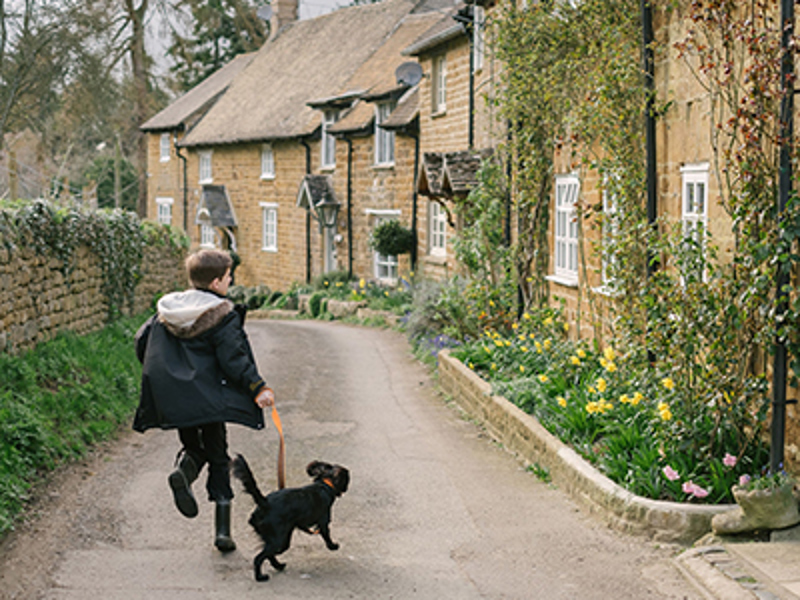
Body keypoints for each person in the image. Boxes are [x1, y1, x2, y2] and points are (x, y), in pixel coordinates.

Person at [133, 248, 275, 552]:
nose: (231, 280)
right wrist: (258, 387)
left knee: (194, 445)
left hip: (174, 395)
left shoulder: (168, 310)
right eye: (228, 277)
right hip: (210, 398)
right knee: (218, 455)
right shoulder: (221, 314)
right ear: (215, 283)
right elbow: (234, 359)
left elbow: (141, 341)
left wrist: (164, 377)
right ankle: (222, 532)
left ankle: (183, 471)